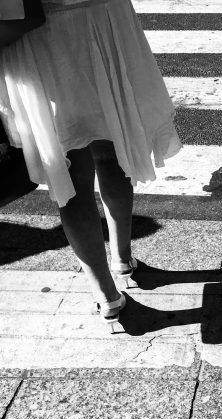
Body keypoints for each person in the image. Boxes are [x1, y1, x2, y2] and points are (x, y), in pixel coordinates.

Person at [0, 0, 181, 326]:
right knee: (111, 152)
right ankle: (122, 259)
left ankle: (106, 294)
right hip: (102, 18)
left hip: (43, 35)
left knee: (72, 175)